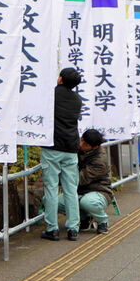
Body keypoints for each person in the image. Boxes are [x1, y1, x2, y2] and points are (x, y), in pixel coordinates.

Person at [42, 68, 82, 241]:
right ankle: (73, 228)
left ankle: (52, 228)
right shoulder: (77, 100)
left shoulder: (50, 95)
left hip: (52, 147)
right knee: (71, 189)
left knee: (51, 187)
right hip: (71, 147)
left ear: (60, 79)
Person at [76, 129, 113, 234]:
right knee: (54, 202)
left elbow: (80, 179)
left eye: (85, 144)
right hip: (79, 191)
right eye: (81, 140)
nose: (81, 144)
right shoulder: (79, 148)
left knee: (87, 202)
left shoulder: (100, 161)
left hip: (100, 191)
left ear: (94, 147)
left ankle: (102, 221)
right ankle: (85, 218)